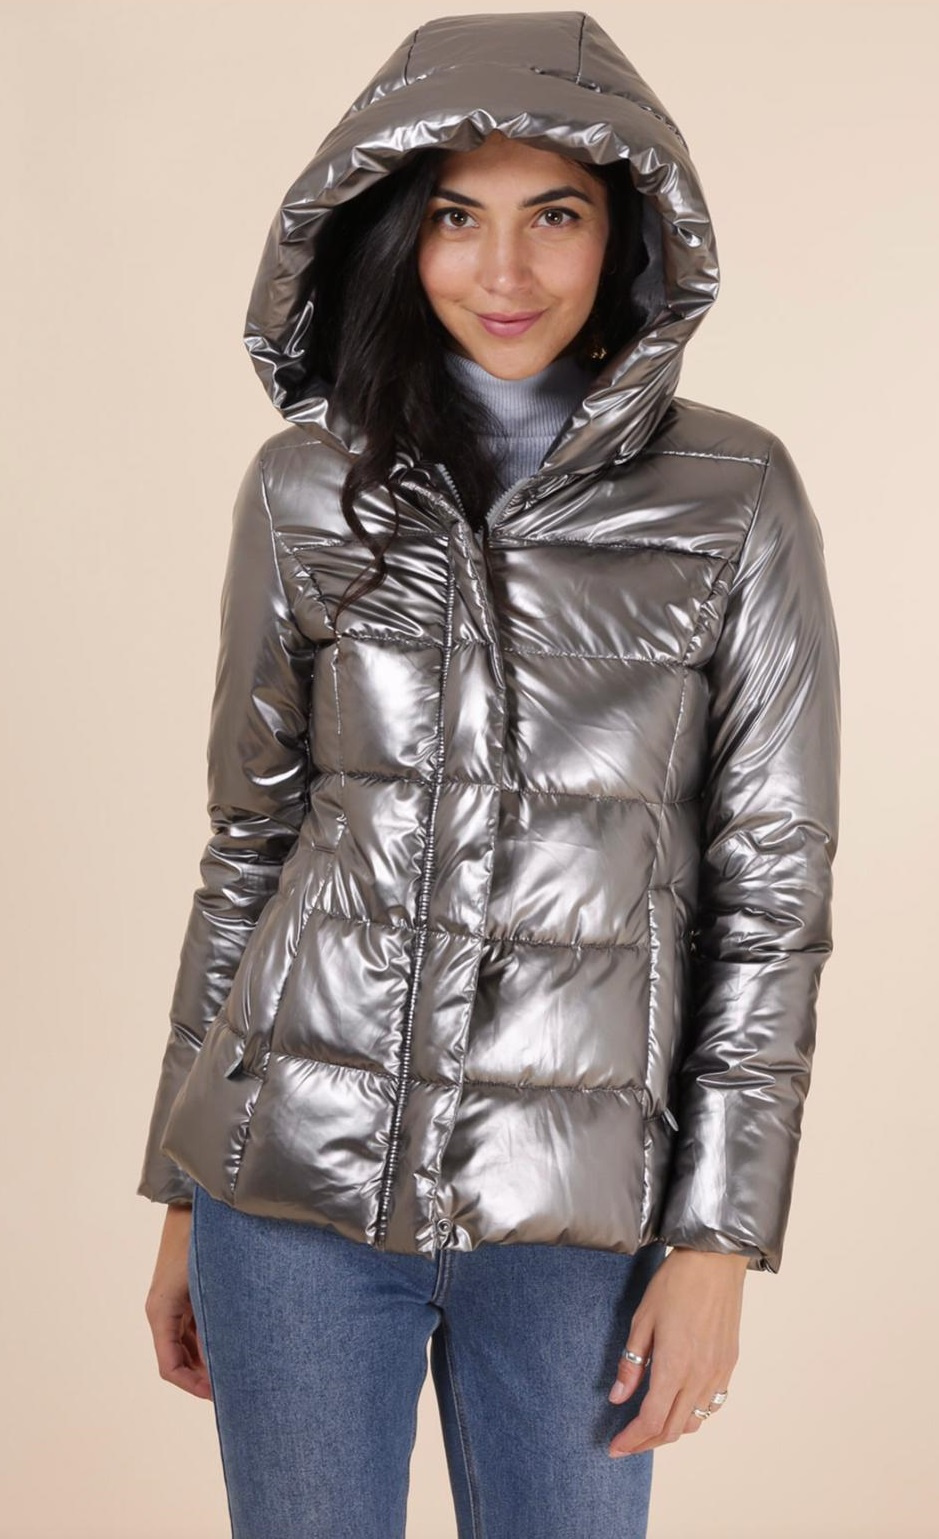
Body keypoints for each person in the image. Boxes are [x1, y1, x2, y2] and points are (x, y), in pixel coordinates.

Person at [139, 11, 840, 1538]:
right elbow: (251, 843)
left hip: (580, 1225)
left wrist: (720, 1237)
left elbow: (771, 895)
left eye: (556, 216)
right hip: (288, 1200)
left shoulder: (732, 496)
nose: (503, 270)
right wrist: (182, 1187)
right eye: (457, 216)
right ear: (397, 232)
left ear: (629, 235)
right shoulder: (305, 488)